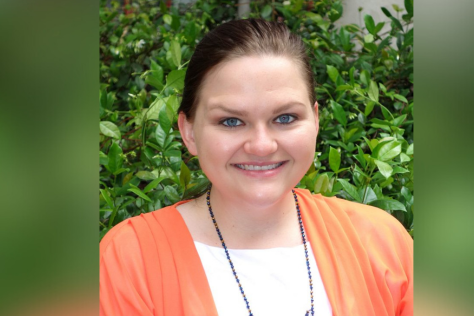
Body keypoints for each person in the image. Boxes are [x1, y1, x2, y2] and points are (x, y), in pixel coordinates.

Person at [99, 19, 413, 316]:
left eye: (285, 118)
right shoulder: (130, 257)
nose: (262, 145)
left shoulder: (382, 242)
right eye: (231, 121)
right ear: (189, 132)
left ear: (316, 121)